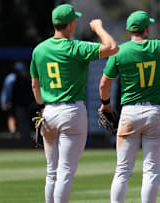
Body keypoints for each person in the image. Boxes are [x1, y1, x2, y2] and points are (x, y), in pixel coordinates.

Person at [98, 10, 160, 203]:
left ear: (128, 29)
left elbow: (104, 84)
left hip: (130, 112)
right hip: (155, 112)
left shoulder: (120, 51)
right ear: (148, 29)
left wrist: (106, 105)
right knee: (151, 171)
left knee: (123, 170)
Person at [30, 4, 118, 203]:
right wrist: (99, 29)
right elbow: (112, 47)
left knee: (51, 171)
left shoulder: (39, 50)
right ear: (70, 24)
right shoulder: (76, 48)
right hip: (71, 111)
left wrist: (42, 107)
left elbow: (35, 86)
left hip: (49, 111)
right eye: (74, 20)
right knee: (66, 172)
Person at [0, 62, 33, 141]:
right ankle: (21, 134)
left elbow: (6, 91)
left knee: (18, 118)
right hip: (19, 103)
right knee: (18, 117)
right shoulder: (14, 78)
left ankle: (20, 135)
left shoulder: (12, 78)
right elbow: (7, 91)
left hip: (18, 103)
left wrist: (4, 101)